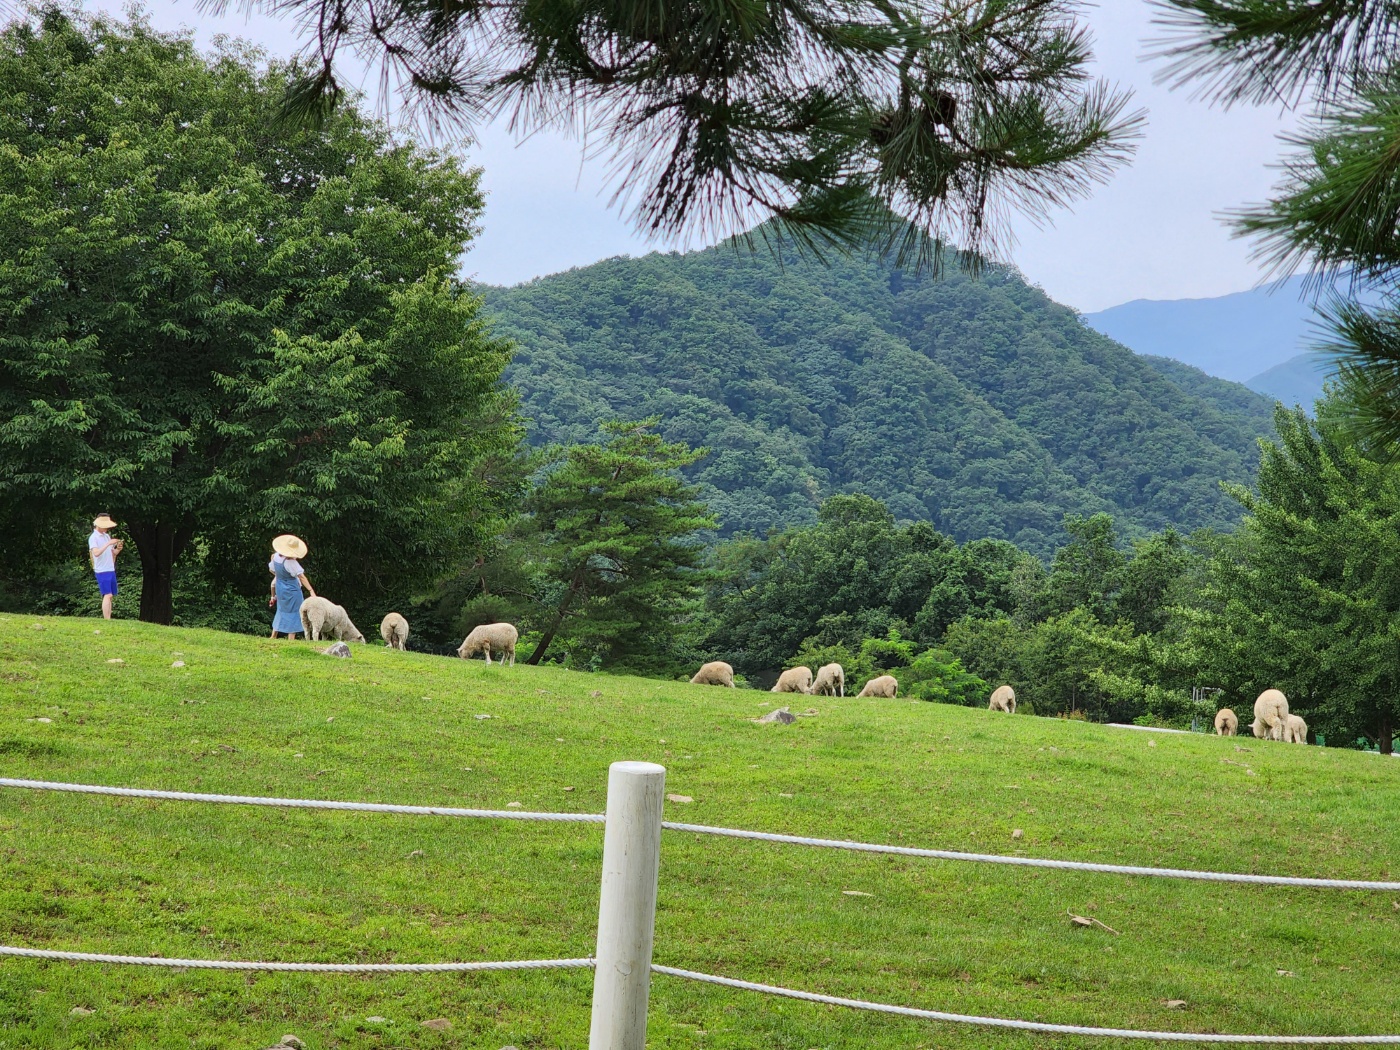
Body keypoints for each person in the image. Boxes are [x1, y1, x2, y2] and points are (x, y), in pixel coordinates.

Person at [269, 534, 315, 639]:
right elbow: (302, 577)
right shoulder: (291, 562)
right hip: (292, 590)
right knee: (294, 613)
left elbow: (271, 569)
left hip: (280, 588)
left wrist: (280, 576)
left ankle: (273, 636)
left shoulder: (275, 556)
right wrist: (311, 590)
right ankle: (291, 640)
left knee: (281, 610)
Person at [88, 514, 123, 620]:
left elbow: (113, 553)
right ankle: (106, 619)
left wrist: (118, 549)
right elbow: (96, 553)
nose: (107, 528)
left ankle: (108, 618)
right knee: (107, 594)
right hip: (102, 570)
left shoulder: (106, 536)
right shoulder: (93, 538)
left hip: (110, 568)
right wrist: (108, 543)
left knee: (110, 595)